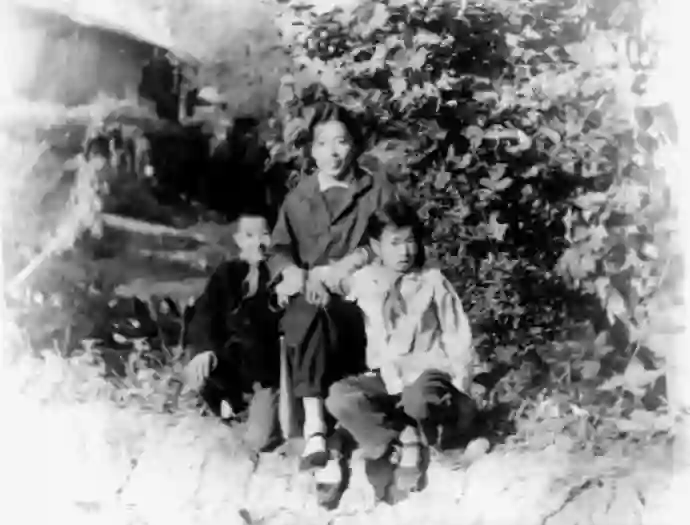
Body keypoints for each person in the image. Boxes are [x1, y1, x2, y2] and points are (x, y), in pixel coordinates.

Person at [322, 199, 480, 503]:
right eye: (394, 243)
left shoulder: (432, 280)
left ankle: (419, 432)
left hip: (428, 377)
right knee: (340, 396)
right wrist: (360, 257)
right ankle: (396, 440)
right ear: (377, 246)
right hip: (388, 379)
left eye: (410, 241)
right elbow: (329, 278)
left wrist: (463, 396)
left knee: (417, 399)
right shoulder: (366, 280)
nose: (405, 251)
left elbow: (457, 337)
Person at [269, 102, 397, 471]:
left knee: (320, 310)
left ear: (354, 145)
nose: (333, 153)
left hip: (358, 302)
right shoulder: (298, 197)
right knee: (308, 309)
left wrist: (348, 265)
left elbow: (392, 240)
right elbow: (279, 249)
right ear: (311, 150)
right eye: (323, 144)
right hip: (309, 298)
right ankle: (314, 426)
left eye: (341, 142)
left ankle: (325, 426)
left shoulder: (375, 191)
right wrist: (291, 272)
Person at [183, 211, 283, 453]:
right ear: (238, 240)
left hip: (266, 371)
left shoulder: (281, 274)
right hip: (229, 363)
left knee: (259, 440)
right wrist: (205, 350)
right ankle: (226, 408)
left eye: (264, 235)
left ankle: (254, 412)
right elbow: (205, 315)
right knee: (197, 372)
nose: (258, 242)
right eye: (249, 236)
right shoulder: (226, 274)